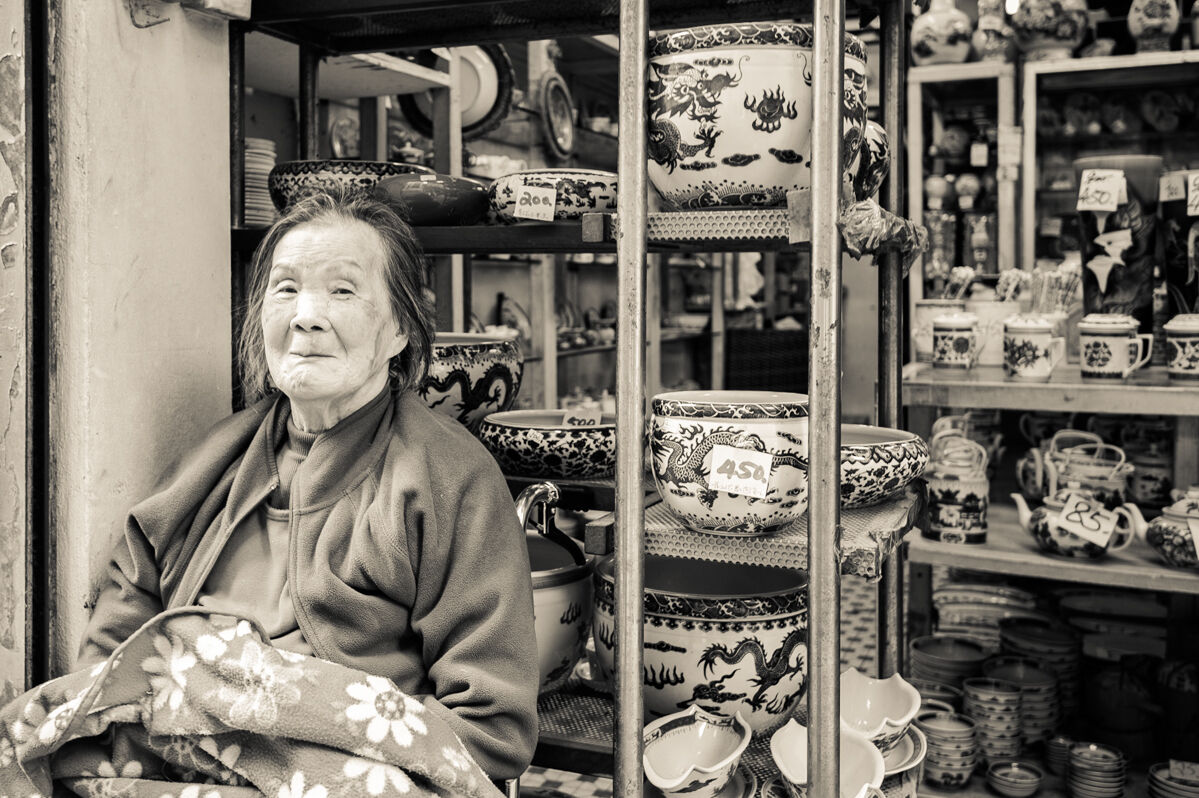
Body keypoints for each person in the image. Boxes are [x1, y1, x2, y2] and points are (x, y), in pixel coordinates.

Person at [76, 188, 539, 780]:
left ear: (399, 329)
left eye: (342, 290)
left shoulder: (450, 478)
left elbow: (493, 726)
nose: (306, 314)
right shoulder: (215, 458)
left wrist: (302, 743)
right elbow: (109, 657)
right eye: (286, 288)